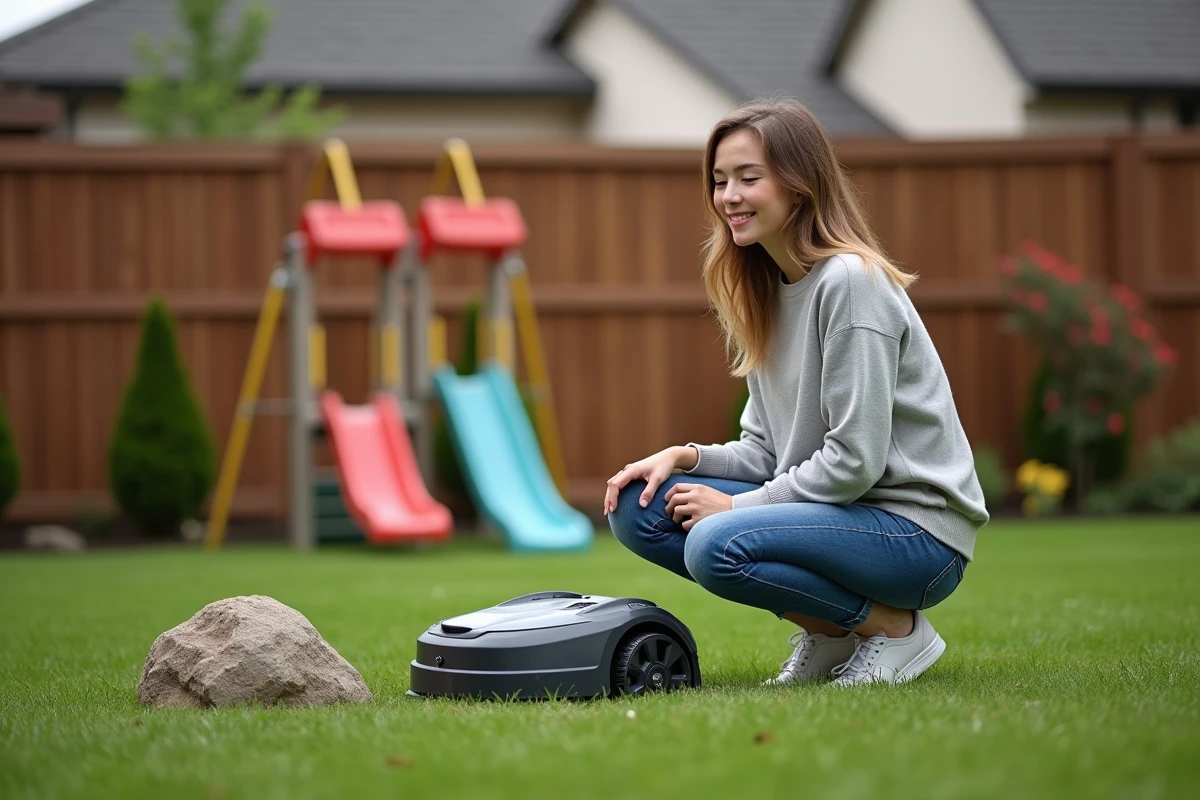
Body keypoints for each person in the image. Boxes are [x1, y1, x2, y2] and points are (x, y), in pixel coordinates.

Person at [603, 98, 989, 687]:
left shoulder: (851, 284)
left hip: (916, 536)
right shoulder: (768, 289)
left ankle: (893, 630)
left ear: (800, 183)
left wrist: (734, 508)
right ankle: (833, 635)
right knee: (640, 508)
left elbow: (855, 461)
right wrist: (685, 458)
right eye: (719, 180)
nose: (728, 195)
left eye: (748, 177)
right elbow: (764, 452)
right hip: (844, 516)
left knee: (712, 543)